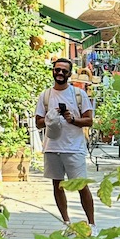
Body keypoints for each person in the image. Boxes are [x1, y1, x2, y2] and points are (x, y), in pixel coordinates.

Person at [35, 57, 96, 228]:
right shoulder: (46, 95)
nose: (60, 73)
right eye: (57, 70)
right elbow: (38, 122)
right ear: (53, 71)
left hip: (74, 148)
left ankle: (92, 225)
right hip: (52, 147)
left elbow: (89, 120)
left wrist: (73, 119)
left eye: (64, 70)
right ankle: (66, 223)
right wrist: (50, 118)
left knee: (81, 185)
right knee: (58, 185)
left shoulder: (78, 94)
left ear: (69, 74)